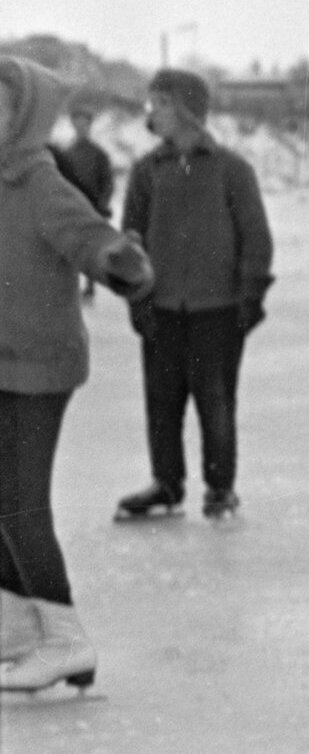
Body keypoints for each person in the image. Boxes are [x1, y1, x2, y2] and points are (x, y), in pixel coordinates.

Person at [1, 57, 154, 693]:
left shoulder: (38, 180)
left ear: (24, 117)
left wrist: (120, 260)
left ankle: (66, 640)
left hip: (40, 362)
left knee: (21, 505)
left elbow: (88, 235)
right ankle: (18, 628)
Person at [114, 68, 274, 523]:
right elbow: (130, 243)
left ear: (186, 109)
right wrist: (137, 300)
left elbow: (256, 238)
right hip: (162, 310)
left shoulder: (232, 170)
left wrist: (249, 298)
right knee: (161, 403)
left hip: (218, 311)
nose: (151, 112)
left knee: (216, 402)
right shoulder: (146, 173)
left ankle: (220, 488)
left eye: (159, 103)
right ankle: (167, 483)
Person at [53, 103, 113, 301]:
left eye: (85, 123)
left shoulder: (99, 154)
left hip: (92, 206)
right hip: (70, 206)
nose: (81, 126)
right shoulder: (66, 153)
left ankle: (89, 286)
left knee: (89, 248)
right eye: (77, 122)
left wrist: (103, 203)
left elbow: (107, 182)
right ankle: (67, 287)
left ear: (90, 126)